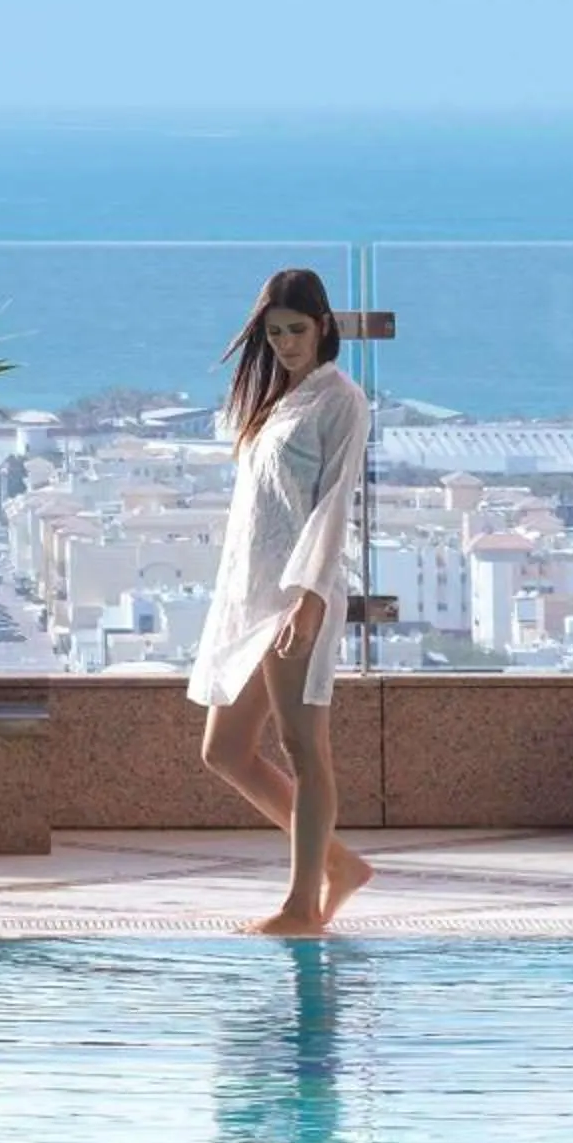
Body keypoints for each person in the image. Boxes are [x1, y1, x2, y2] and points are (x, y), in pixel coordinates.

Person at [189, 267, 374, 935]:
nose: (286, 343)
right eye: (274, 333)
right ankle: (340, 865)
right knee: (225, 749)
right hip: (250, 596)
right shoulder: (275, 403)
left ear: (323, 327)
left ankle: (302, 905)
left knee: (304, 745)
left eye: (297, 330)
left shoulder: (340, 401)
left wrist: (310, 596)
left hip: (301, 594)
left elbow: (333, 507)